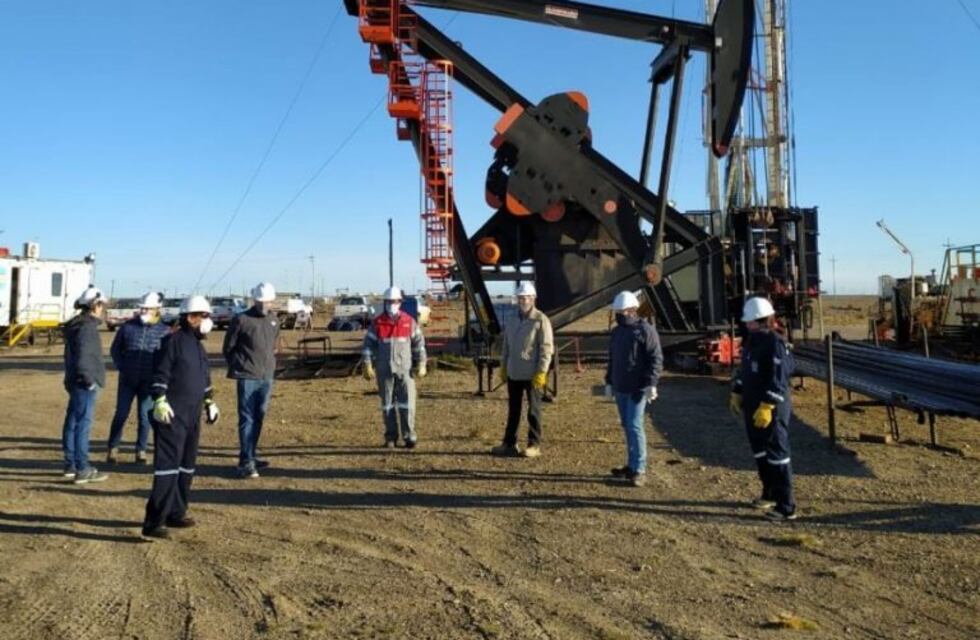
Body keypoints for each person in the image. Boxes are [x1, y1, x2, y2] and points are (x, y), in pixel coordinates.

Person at [142, 295, 219, 539]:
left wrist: (209, 401)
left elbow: (204, 378)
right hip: (171, 415)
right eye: (204, 316)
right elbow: (160, 373)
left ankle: (177, 511)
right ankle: (154, 521)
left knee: (187, 466)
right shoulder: (172, 342)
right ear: (191, 317)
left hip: (192, 415)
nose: (208, 322)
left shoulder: (198, 346)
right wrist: (159, 399)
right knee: (167, 468)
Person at [729, 296, 798, 522]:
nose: (746, 325)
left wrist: (768, 404)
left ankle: (786, 506)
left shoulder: (776, 343)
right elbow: (746, 369)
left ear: (761, 320)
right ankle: (769, 492)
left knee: (777, 453)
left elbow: (780, 377)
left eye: (750, 321)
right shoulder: (752, 342)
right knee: (760, 450)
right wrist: (737, 390)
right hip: (752, 404)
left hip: (771, 407)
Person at [605, 291, 663, 487]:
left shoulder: (646, 330)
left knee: (635, 425)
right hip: (620, 386)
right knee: (627, 425)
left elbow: (656, 359)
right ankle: (631, 466)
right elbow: (613, 359)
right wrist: (609, 382)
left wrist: (651, 384)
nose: (618, 315)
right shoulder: (617, 332)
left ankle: (639, 469)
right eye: (617, 312)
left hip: (638, 388)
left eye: (621, 311)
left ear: (631, 311)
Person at [223, 282, 280, 479]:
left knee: (259, 416)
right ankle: (247, 462)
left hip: (266, 376)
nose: (265, 305)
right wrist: (239, 366)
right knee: (247, 418)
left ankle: (249, 456)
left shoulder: (274, 321)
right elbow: (228, 347)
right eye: (261, 301)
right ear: (255, 300)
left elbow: (273, 344)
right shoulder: (242, 320)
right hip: (247, 376)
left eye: (268, 301)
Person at [106, 291, 170, 465]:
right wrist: (122, 367)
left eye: (148, 309)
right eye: (142, 309)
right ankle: (112, 448)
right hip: (127, 380)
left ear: (157, 309)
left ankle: (141, 451)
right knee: (121, 414)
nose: (144, 312)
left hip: (148, 382)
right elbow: (115, 350)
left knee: (145, 417)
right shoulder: (128, 327)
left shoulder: (164, 331)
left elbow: (165, 358)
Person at [491, 282, 554, 458]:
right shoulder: (512, 320)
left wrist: (541, 372)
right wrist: (503, 366)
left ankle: (534, 445)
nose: (523, 300)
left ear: (533, 299)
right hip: (514, 372)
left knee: (533, 410)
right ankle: (509, 444)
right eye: (520, 297)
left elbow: (546, 349)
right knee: (513, 410)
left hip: (533, 374)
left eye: (526, 297)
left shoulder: (541, 320)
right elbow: (506, 346)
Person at [361, 286, 427, 449]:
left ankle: (409, 436)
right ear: (385, 302)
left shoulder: (409, 321)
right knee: (387, 405)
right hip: (384, 370)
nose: (391, 304)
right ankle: (391, 437)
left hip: (405, 370)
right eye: (388, 301)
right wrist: (367, 363)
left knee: (407, 404)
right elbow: (368, 345)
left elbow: (419, 345)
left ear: (400, 302)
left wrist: (422, 363)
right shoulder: (377, 323)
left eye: (394, 301)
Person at [61, 286, 109, 484]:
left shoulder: (77, 326)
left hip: (75, 380)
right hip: (84, 382)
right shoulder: (87, 328)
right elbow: (84, 357)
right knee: (83, 424)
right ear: (95, 305)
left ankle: (71, 465)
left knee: (73, 421)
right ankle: (82, 468)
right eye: (102, 305)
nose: (103, 309)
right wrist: (89, 380)